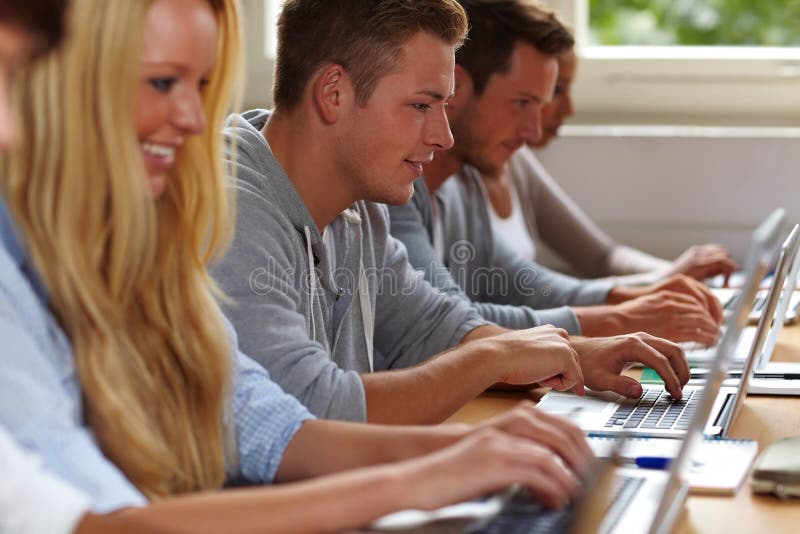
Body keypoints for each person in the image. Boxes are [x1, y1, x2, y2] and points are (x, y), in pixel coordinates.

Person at [0, 0, 598, 531]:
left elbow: (275, 427)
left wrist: (467, 451)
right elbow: (98, 522)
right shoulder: (222, 203)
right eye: (162, 82)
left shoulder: (129, 250)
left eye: (202, 85)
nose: (191, 118)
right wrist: (420, 475)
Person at [212, 0, 691, 427]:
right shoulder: (230, 209)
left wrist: (573, 352)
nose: (444, 136)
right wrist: (492, 359)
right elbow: (308, 411)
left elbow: (434, 328)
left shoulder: (358, 204)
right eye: (421, 105)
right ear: (333, 92)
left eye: (443, 105)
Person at [388, 0, 723, 346]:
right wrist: (617, 318)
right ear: (458, 86)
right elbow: (448, 324)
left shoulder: (463, 183)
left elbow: (527, 285)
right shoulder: (393, 193)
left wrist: (640, 297)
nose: (534, 132)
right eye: (522, 103)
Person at [484, 48, 738, 285]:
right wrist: (665, 280)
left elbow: (600, 256)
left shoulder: (517, 161)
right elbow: (527, 299)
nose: (569, 109)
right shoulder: (462, 177)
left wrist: (676, 276)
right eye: (556, 91)